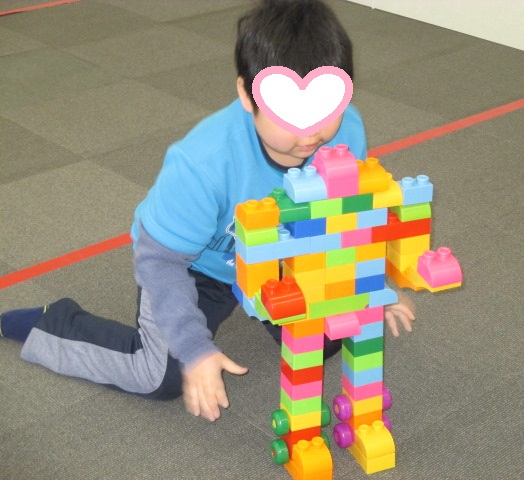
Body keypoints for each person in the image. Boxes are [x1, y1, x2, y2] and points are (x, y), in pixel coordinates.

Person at [0, 0, 415, 422]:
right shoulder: (204, 162)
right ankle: (52, 323)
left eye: (326, 108)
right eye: (289, 114)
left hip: (285, 259)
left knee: (330, 334)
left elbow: (348, 222)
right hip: (198, 266)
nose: (311, 132)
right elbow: (159, 261)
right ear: (247, 94)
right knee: (161, 375)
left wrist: (371, 287)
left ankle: (266, 305)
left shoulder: (346, 134)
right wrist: (195, 349)